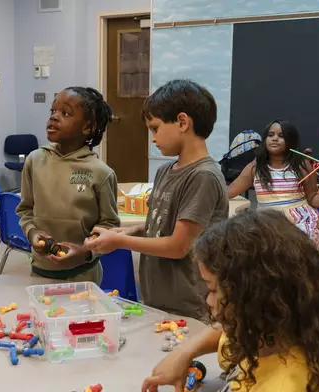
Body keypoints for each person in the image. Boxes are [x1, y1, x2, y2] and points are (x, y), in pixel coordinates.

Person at [141, 209, 319, 392]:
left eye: (213, 289)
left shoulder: (283, 384)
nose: (208, 300)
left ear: (255, 299)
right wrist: (184, 352)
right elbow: (221, 334)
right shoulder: (263, 338)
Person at [85, 79, 228, 321]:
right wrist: (124, 232)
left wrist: (119, 242)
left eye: (155, 128)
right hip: (159, 298)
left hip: (190, 304)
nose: (152, 138)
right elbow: (156, 227)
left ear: (182, 122)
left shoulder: (203, 176)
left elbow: (178, 246)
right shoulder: (165, 171)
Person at [16, 86, 119, 284]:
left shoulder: (101, 172)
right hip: (40, 269)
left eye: (65, 113)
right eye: (53, 111)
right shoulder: (34, 160)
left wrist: (86, 251)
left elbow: (109, 225)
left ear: (87, 127)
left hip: (84, 273)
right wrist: (32, 232)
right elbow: (25, 209)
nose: (54, 117)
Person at [228, 119, 319, 251]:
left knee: (296, 249)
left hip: (299, 220)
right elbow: (230, 191)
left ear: (291, 141)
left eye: (281, 136)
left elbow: (312, 198)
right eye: (271, 135)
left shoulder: (302, 165)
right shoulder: (255, 166)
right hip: (266, 220)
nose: (274, 139)